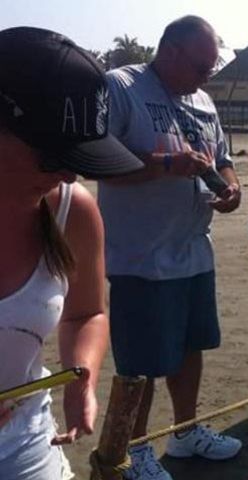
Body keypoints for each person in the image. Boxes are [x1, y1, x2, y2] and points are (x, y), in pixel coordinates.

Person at [98, 16, 242, 479]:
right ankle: (134, 450)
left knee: (190, 346)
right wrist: (165, 164)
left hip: (193, 250)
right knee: (140, 362)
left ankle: (185, 432)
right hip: (141, 255)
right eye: (202, 67)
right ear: (170, 50)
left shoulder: (201, 98)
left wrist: (231, 189)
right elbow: (98, 158)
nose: (207, 77)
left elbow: (222, 160)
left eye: (212, 69)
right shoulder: (121, 87)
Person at [0, 27, 144, 479]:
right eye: (51, 154)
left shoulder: (70, 210)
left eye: (78, 159)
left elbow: (85, 313)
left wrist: (79, 375)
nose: (66, 176)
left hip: (23, 446)